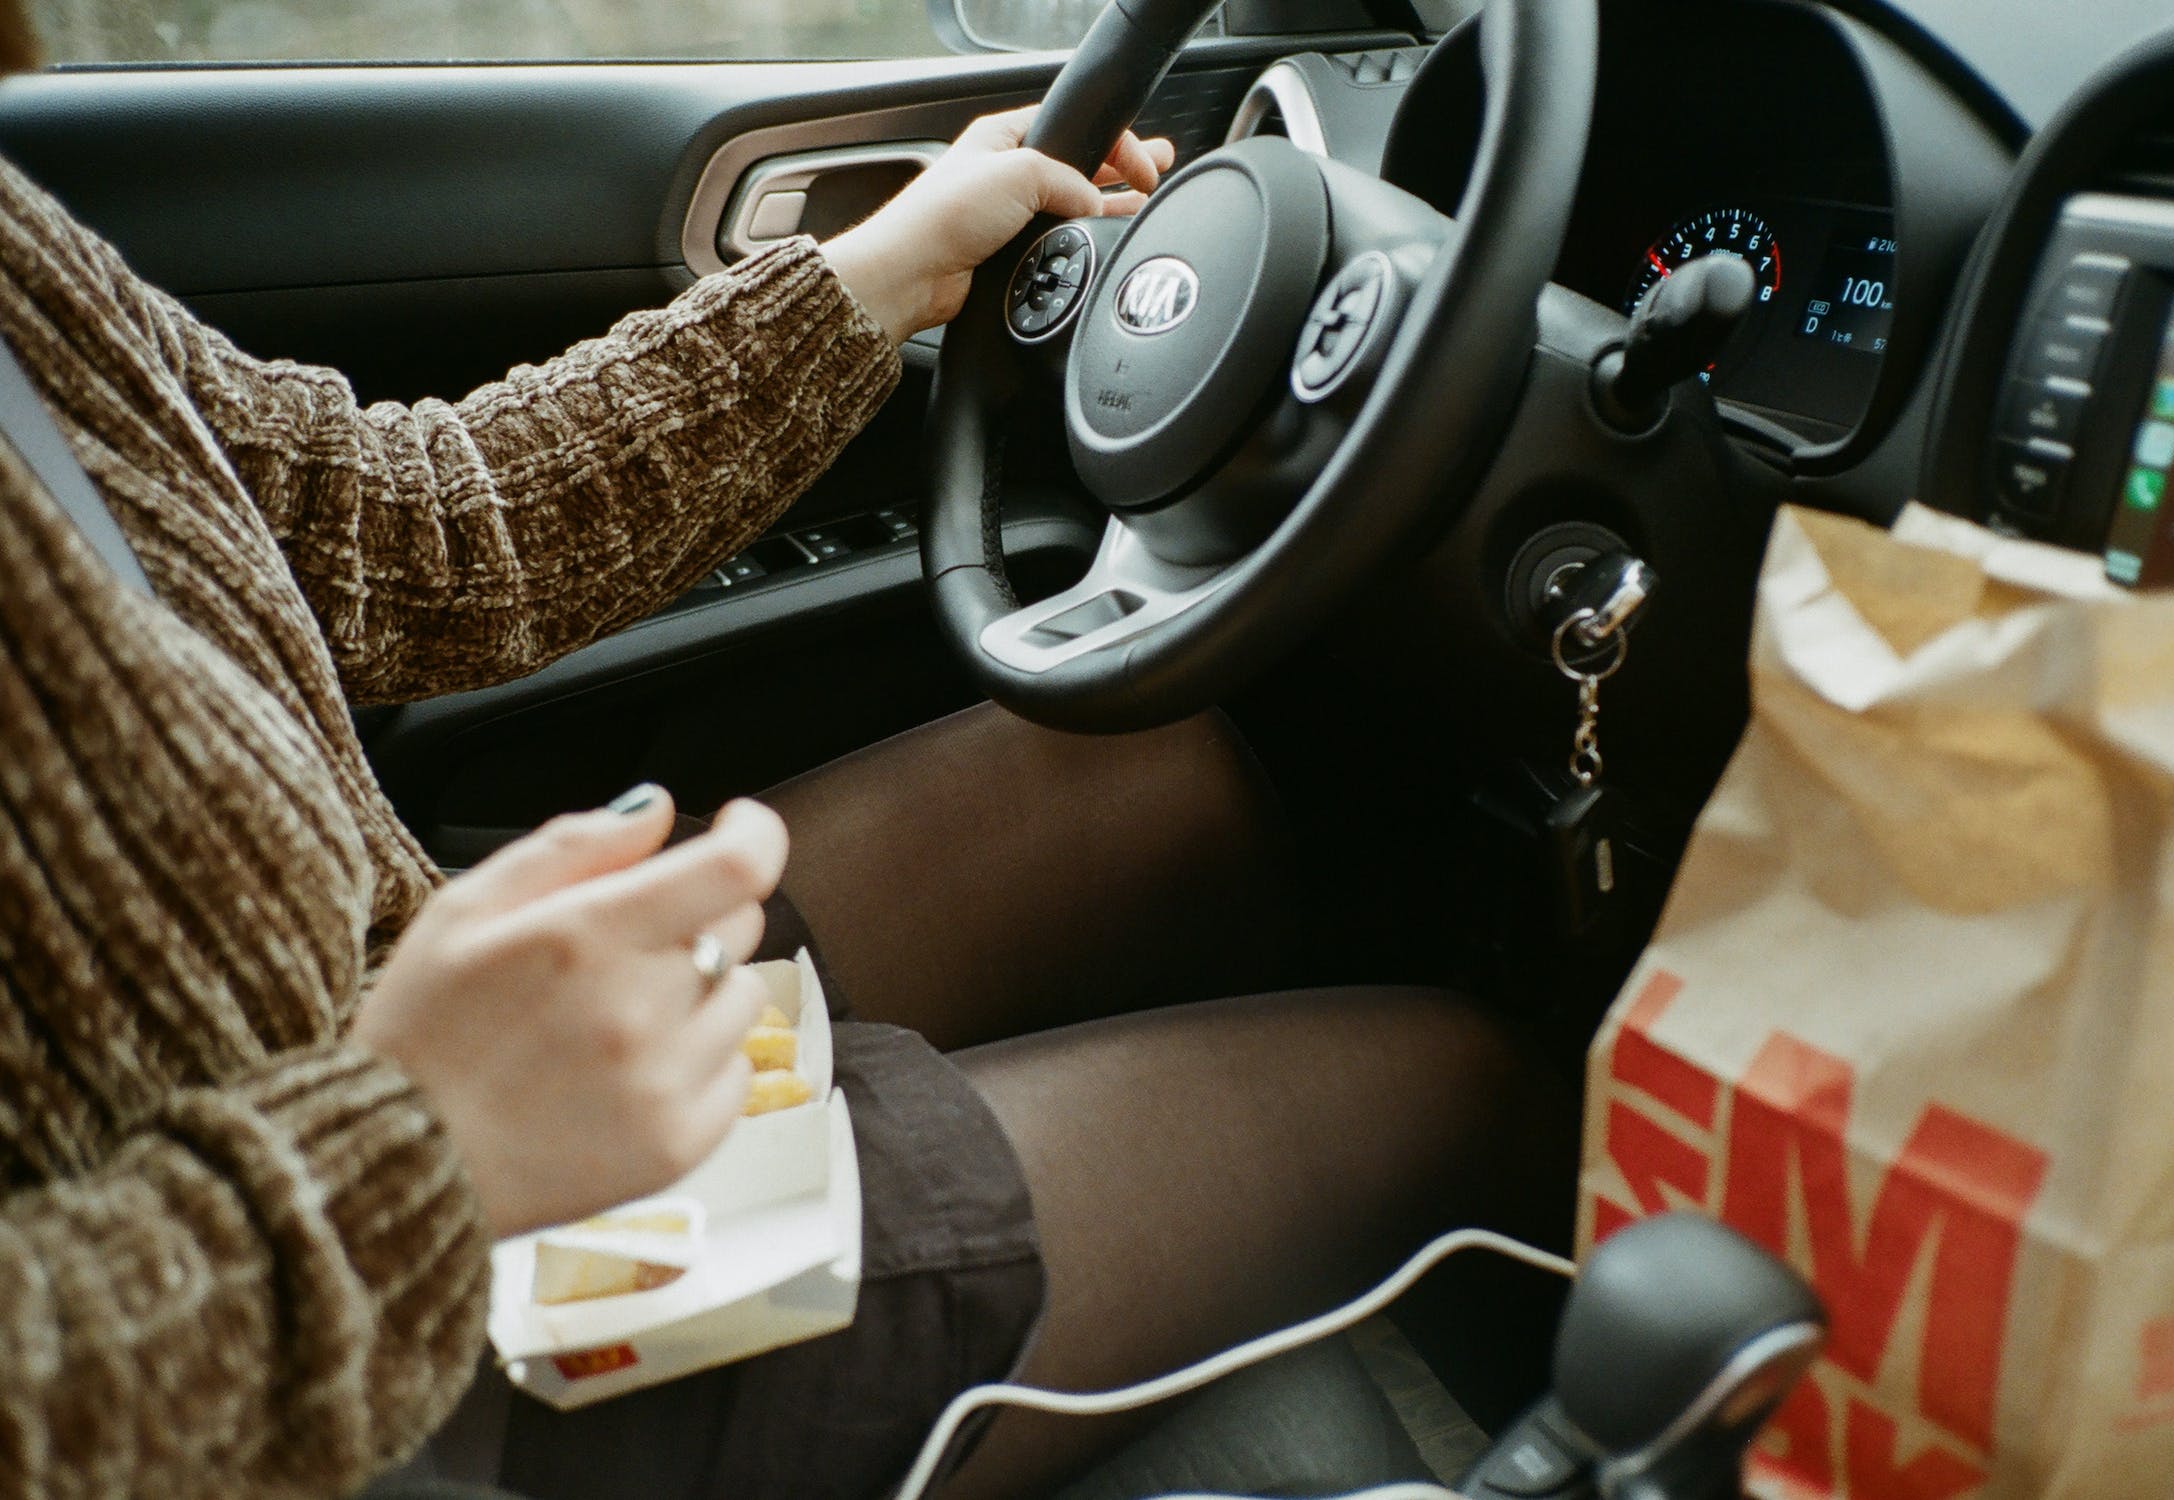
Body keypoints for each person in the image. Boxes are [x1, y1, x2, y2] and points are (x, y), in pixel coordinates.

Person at [0, 7, 1577, 1499]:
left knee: (1174, 780)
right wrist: (412, 1154)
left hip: (374, 985)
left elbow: (385, 527)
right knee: (1484, 1081)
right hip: (359, 1340)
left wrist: (873, 279)